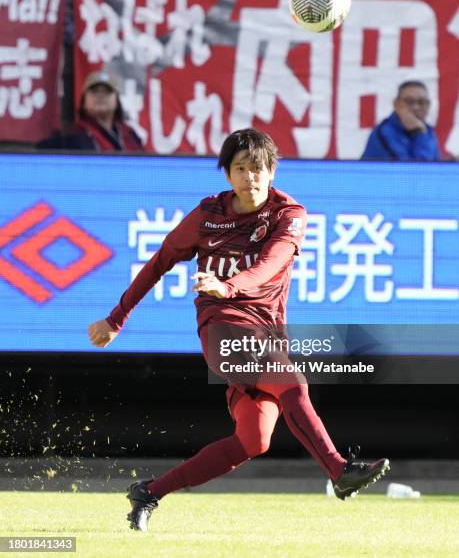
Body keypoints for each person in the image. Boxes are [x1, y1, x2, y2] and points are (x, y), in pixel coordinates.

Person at [88, 128, 390, 533]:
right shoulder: (208, 215)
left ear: (272, 172)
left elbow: (270, 264)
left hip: (265, 337)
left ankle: (149, 491)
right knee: (293, 384)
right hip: (223, 331)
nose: (251, 176)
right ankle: (339, 470)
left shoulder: (288, 215)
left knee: (254, 441)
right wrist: (116, 318)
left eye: (259, 168)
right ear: (227, 174)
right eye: (241, 168)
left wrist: (228, 284)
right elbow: (161, 259)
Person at [36, 71, 145, 153]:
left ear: (117, 101)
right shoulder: (71, 136)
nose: (101, 96)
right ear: (84, 102)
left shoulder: (130, 135)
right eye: (94, 91)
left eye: (107, 92)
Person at [361, 80, 441, 161]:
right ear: (396, 104)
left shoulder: (428, 131)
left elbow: (436, 168)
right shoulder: (384, 132)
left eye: (422, 102)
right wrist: (418, 133)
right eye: (409, 102)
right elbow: (414, 170)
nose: (416, 107)